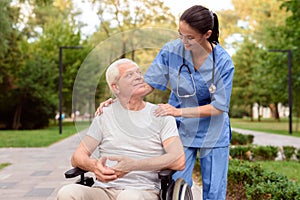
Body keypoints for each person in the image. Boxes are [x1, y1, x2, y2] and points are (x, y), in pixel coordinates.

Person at [96, 5, 234, 200]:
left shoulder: (223, 62)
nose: (183, 42)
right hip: (181, 128)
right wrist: (118, 98)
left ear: (207, 34)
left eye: (190, 37)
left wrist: (178, 112)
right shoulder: (171, 51)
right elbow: (148, 84)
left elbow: (219, 106)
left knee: (214, 191)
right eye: (180, 35)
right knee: (176, 184)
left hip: (213, 129)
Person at [57, 58, 185, 200]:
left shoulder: (162, 115)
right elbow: (77, 157)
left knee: (128, 197)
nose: (138, 77)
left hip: (142, 190)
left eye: (139, 72)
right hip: (104, 190)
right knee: (67, 192)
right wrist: (94, 166)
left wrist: (134, 165)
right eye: (129, 75)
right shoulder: (104, 114)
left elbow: (178, 159)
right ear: (115, 87)